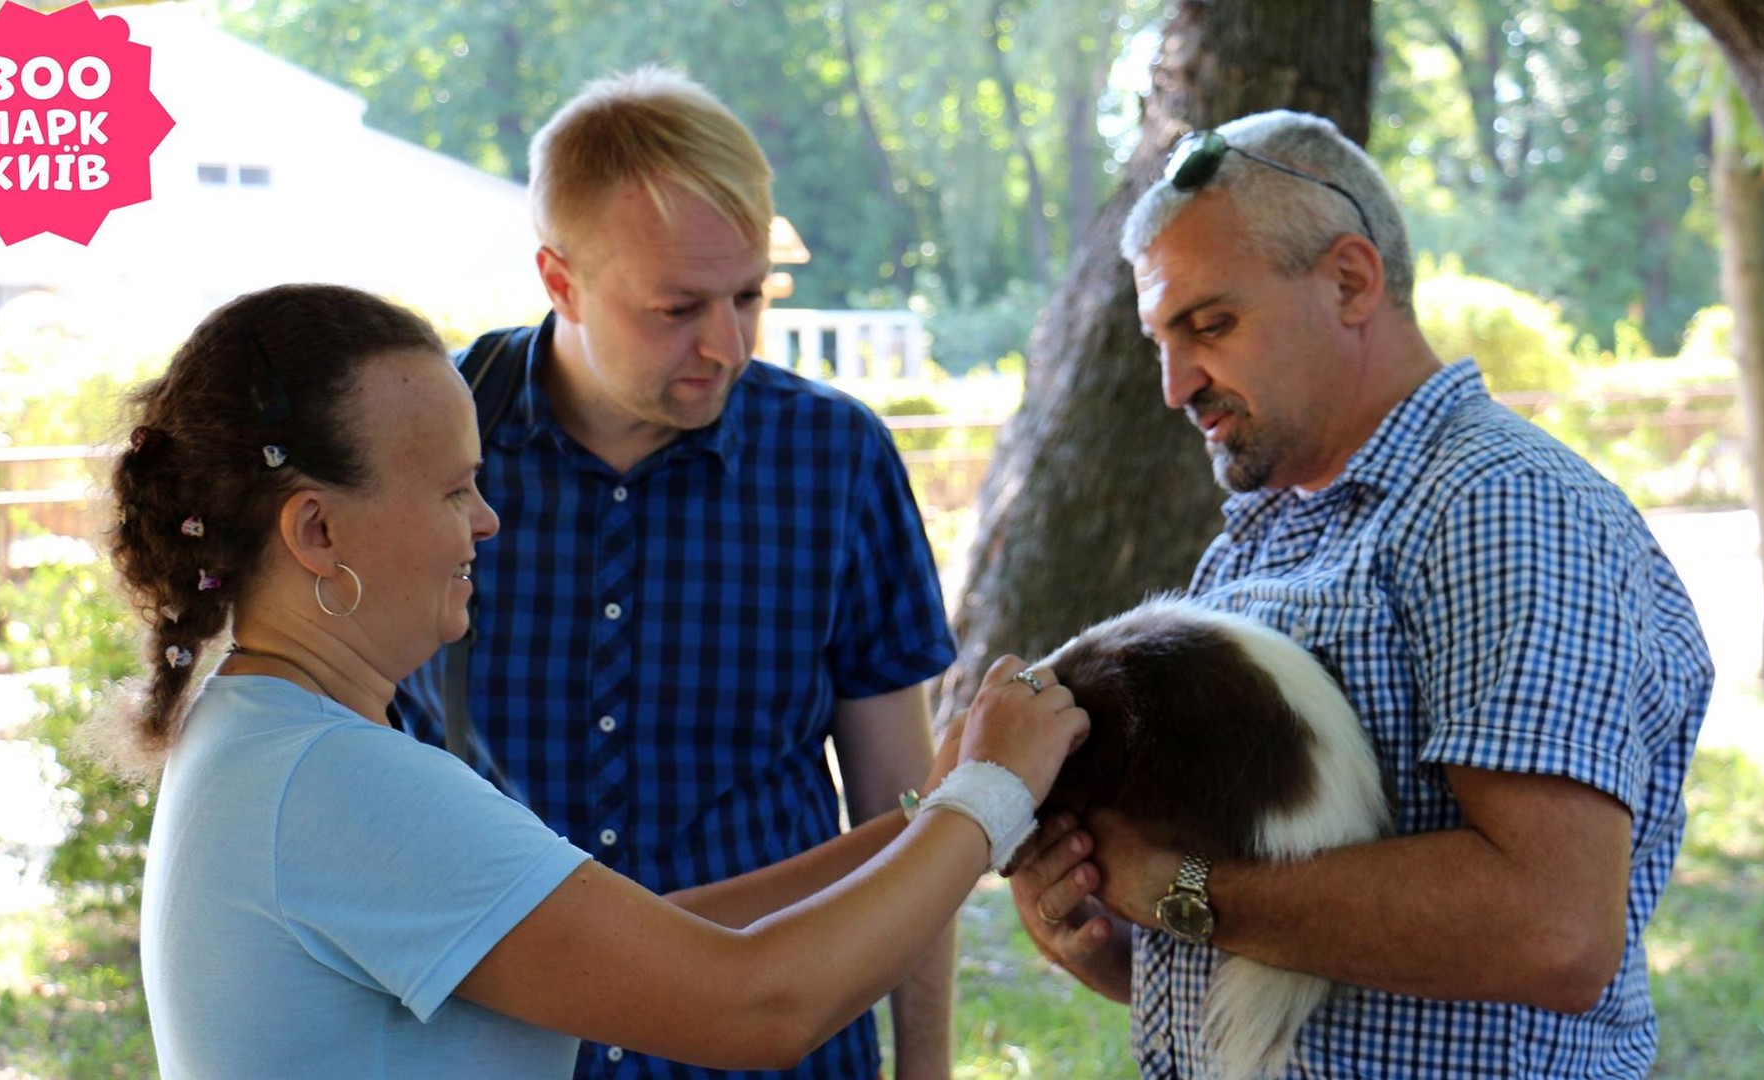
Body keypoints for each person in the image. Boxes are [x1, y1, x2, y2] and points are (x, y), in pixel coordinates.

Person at [110, 283, 1087, 1079]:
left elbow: (649, 944)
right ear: (318, 531)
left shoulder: (263, 735)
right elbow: (756, 1003)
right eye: (453, 489)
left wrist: (927, 820)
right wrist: (989, 798)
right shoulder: (341, 782)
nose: (486, 520)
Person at [1008, 110, 1714, 1077]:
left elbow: (1550, 930)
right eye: (1159, 340)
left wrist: (1176, 888)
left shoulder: (1498, 506)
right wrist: (1109, 940)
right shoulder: (1262, 537)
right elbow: (1289, 946)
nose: (1175, 384)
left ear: (1350, 281)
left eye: (1209, 325)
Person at [391, 66, 958, 1080]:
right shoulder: (424, 441)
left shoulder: (835, 461)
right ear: (560, 280)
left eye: (750, 296)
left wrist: (925, 1068)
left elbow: (902, 819)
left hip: (775, 1051)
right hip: (509, 1052)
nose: (727, 345)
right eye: (678, 308)